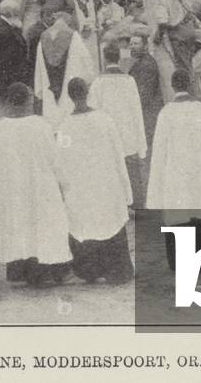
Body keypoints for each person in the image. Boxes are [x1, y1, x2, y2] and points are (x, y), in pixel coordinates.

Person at [56, 78, 134, 284]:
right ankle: (116, 271)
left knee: (86, 225)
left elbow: (61, 163)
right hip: (105, 182)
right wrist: (125, 189)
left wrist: (66, 190)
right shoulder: (104, 119)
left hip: (82, 186)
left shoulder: (64, 126)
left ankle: (89, 270)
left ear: (70, 96)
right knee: (110, 222)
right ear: (87, 92)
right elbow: (118, 154)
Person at [0, 82, 72, 286]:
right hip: (41, 187)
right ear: (28, 101)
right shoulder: (42, 126)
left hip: (15, 189)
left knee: (20, 227)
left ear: (10, 102)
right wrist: (64, 183)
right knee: (44, 228)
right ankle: (46, 271)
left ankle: (20, 270)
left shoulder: (1, 128)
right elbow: (56, 159)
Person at [147, 69, 201, 269]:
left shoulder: (166, 113)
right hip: (200, 173)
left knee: (180, 214)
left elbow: (159, 150)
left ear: (173, 87)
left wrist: (157, 186)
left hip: (176, 174)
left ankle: (181, 264)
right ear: (189, 84)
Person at [88, 43, 148, 208]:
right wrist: (141, 144)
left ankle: (114, 206)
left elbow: (93, 113)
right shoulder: (129, 81)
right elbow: (137, 111)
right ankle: (137, 207)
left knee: (111, 172)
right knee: (132, 172)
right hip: (128, 134)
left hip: (107, 136)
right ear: (119, 58)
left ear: (104, 58)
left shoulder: (97, 83)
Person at [33, 13, 95, 126]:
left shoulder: (43, 37)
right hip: (69, 83)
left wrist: (39, 87)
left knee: (52, 117)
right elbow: (86, 61)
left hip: (49, 88)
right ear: (67, 22)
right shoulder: (73, 36)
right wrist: (89, 79)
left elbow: (38, 67)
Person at [0, 0, 30, 123]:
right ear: (10, 13)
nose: (18, 15)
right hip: (6, 80)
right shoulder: (3, 31)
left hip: (4, 79)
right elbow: (5, 61)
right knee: (2, 109)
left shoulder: (6, 27)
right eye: (16, 12)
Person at [128, 30, 163, 147]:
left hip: (148, 115)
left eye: (136, 44)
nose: (132, 47)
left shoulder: (146, 64)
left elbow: (144, 94)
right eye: (131, 44)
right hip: (146, 113)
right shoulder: (141, 62)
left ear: (145, 46)